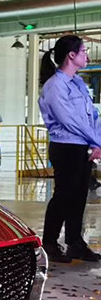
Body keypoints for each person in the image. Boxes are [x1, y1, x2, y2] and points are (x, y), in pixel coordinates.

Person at [38, 34, 101, 263]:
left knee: (79, 196)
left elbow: (93, 115)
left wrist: (95, 141)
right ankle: (49, 242)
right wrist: (95, 141)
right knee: (64, 195)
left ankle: (75, 243)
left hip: (82, 146)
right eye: (84, 51)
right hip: (65, 147)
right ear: (71, 55)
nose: (87, 55)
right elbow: (68, 120)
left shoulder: (79, 84)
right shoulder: (55, 86)